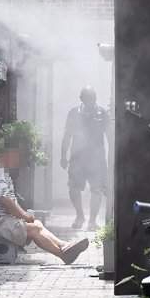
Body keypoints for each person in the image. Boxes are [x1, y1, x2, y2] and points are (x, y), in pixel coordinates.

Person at [0, 137, 90, 264]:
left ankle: (64, 245)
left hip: (3, 220)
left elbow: (11, 201)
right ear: (8, 154)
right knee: (34, 229)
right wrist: (24, 216)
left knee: (37, 224)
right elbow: (6, 202)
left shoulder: (1, 171)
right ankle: (62, 254)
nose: (17, 161)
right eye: (16, 156)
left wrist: (25, 216)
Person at [60, 85, 110, 230]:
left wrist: (112, 156)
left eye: (92, 98)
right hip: (77, 158)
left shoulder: (103, 113)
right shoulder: (73, 113)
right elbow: (67, 135)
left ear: (95, 99)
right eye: (86, 98)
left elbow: (110, 136)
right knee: (73, 186)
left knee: (97, 189)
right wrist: (63, 155)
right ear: (81, 98)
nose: (89, 101)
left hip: (97, 158)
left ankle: (92, 221)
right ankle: (79, 215)